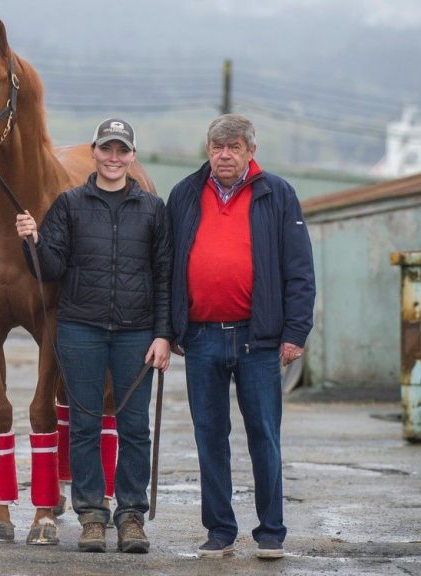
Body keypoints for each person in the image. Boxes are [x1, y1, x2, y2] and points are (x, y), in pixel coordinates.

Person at [15, 118, 173, 553]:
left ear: (132, 156)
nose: (114, 158)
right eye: (107, 149)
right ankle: (91, 516)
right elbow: (51, 269)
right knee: (84, 425)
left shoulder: (152, 210)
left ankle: (131, 516)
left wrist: (163, 334)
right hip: (80, 329)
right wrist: (32, 241)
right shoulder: (69, 205)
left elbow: (164, 277)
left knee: (134, 427)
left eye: (122, 150)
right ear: (96, 151)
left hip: (136, 332)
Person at [167, 114, 315, 560]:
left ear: (251, 151)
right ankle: (220, 531)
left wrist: (296, 332)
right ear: (208, 150)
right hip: (202, 336)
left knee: (263, 435)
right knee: (209, 436)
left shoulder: (278, 194)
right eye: (217, 146)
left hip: (259, 338)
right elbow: (166, 265)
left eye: (233, 146)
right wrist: (170, 326)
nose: (224, 154)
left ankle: (271, 532)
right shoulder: (185, 194)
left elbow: (300, 271)